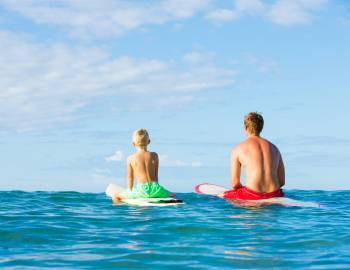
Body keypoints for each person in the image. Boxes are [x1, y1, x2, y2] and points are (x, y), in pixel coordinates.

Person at [219, 112, 285, 200]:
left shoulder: (238, 149)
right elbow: (282, 182)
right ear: (261, 127)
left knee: (220, 196)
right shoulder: (275, 149)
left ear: (245, 128)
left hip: (252, 195)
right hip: (275, 194)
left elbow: (235, 184)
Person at [113, 129, 171, 202]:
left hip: (142, 190)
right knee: (173, 195)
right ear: (149, 142)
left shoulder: (130, 158)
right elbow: (156, 175)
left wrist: (130, 191)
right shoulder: (154, 155)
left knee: (115, 197)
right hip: (156, 188)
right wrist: (156, 190)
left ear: (133, 144)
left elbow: (130, 177)